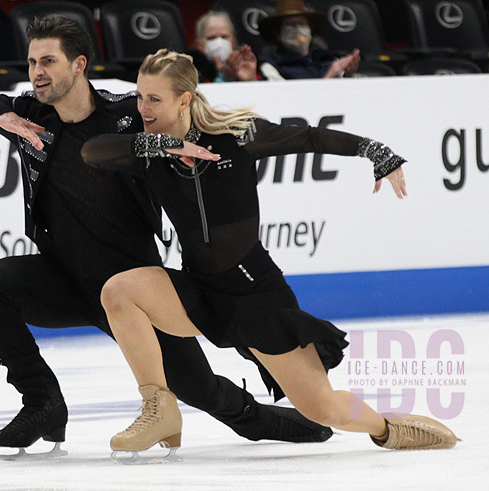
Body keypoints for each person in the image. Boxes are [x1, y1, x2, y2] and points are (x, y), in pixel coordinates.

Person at [0, 16, 334, 458]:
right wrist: (0, 115)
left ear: (79, 64)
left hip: (133, 293)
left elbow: (190, 122)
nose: (36, 73)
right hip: (64, 280)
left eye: (48, 61)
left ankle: (283, 423)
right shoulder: (30, 116)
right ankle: (42, 402)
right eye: (31, 62)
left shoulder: (127, 114)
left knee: (201, 392)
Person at [81, 49, 457, 456]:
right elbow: (92, 152)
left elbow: (310, 137)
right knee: (119, 291)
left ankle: (387, 428)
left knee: (322, 408)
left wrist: (373, 150)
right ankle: (159, 406)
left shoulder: (236, 137)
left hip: (257, 299)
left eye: (154, 99)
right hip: (199, 292)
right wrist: (158, 145)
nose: (143, 107)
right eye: (139, 97)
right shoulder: (148, 152)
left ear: (184, 99)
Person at [257, 0, 361, 80]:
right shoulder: (271, 67)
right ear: (278, 34)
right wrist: (328, 78)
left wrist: (347, 75)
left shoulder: (327, 60)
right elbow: (284, 102)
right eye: (291, 25)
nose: (298, 30)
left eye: (302, 24)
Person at [190, 11, 258, 83]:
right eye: (212, 38)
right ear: (199, 44)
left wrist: (250, 80)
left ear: (233, 42)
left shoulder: (250, 66)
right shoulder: (188, 72)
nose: (219, 42)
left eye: (224, 37)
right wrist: (225, 77)